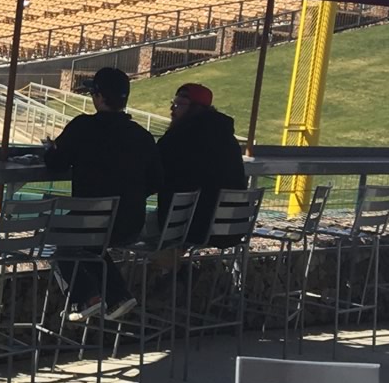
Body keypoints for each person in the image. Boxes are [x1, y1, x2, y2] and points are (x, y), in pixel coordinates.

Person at [41, 66, 159, 320]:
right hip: (131, 223)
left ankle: (85, 297)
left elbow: (56, 162)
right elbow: (155, 180)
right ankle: (117, 296)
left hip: (93, 223)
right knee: (90, 245)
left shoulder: (83, 127)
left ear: (98, 97)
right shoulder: (142, 136)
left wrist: (50, 148)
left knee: (61, 236)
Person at [157, 82, 248, 245]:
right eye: (173, 103)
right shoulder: (227, 137)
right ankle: (178, 267)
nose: (172, 109)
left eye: (178, 104)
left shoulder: (179, 138)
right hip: (233, 227)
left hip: (191, 228)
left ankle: (166, 266)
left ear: (195, 108)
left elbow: (155, 171)